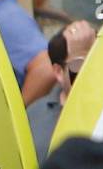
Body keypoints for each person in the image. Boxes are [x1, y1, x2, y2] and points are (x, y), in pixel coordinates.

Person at [29, 21, 96, 161]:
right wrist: (78, 53)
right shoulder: (35, 116)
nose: (93, 71)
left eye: (96, 61)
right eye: (81, 64)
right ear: (59, 72)